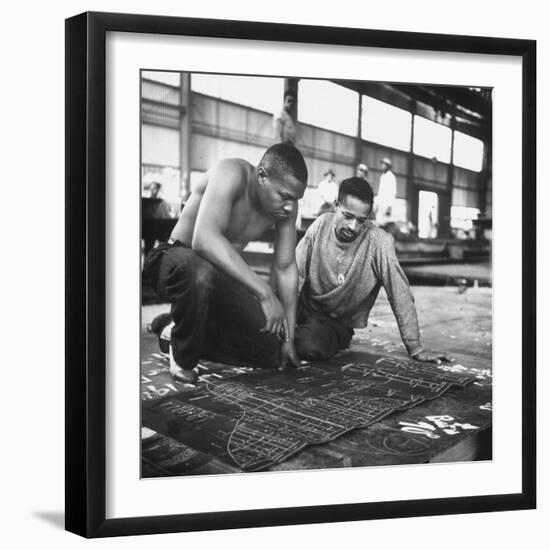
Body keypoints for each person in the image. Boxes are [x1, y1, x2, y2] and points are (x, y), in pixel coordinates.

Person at [143, 143, 308, 383]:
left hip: (217, 277)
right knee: (200, 271)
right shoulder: (231, 173)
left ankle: (173, 329)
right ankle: (183, 353)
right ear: (261, 175)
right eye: (284, 196)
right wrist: (264, 293)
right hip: (175, 261)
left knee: (270, 348)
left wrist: (289, 339)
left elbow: (286, 268)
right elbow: (204, 240)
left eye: (296, 199)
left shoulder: (286, 208)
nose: (291, 206)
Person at [294, 177, 451, 364]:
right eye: (348, 216)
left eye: (361, 220)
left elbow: (399, 291)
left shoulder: (379, 242)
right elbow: (295, 273)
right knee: (264, 324)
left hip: (334, 322)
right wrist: (284, 315)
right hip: (301, 306)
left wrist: (415, 347)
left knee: (310, 346)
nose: (353, 227)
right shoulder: (321, 224)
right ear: (336, 205)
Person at [375, 157, 397, 225]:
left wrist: (389, 207)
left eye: (384, 164)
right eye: (381, 164)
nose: (382, 166)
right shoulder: (382, 177)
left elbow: (393, 192)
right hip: (381, 204)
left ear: (388, 166)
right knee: (379, 223)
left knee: (387, 224)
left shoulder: (391, 177)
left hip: (387, 204)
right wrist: (377, 204)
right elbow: (380, 191)